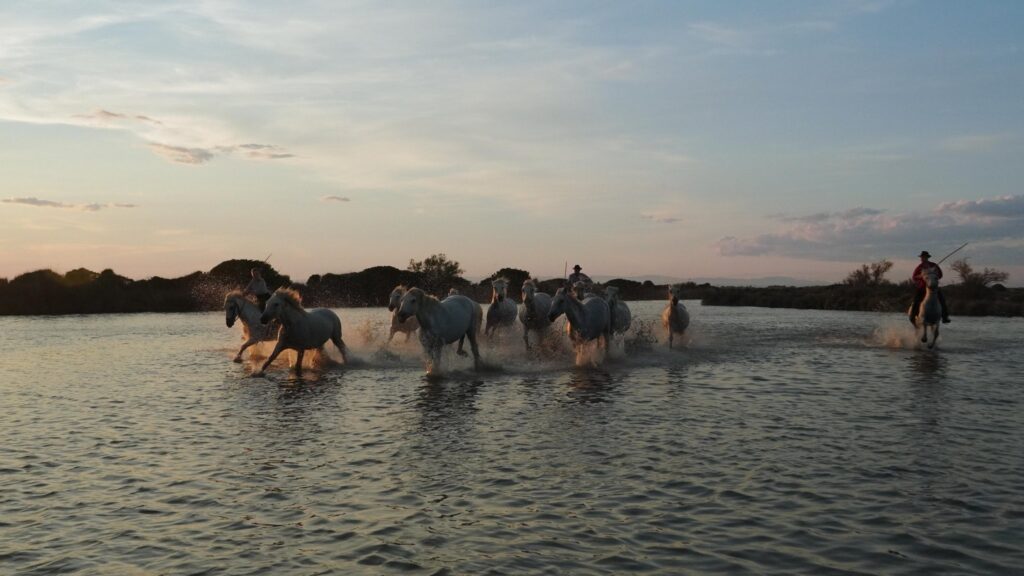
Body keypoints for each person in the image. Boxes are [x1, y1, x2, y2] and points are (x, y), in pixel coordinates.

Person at [909, 251, 950, 324]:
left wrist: (934, 274)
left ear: (927, 257)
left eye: (924, 257)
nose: (922, 258)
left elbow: (940, 275)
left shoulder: (934, 265)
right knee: (916, 301)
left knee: (942, 300)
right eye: (921, 257)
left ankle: (945, 317)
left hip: (934, 287)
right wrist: (922, 277)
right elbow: (914, 277)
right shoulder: (919, 267)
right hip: (922, 288)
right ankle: (912, 317)